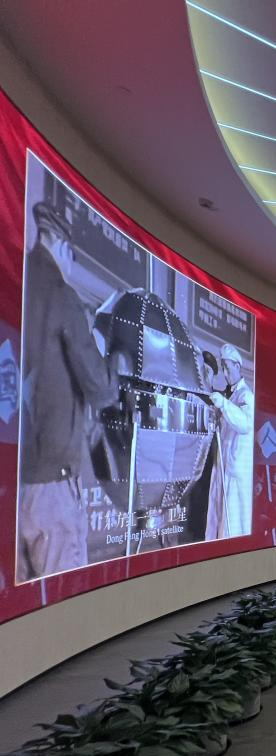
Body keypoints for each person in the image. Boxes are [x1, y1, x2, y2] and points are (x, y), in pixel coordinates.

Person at [16, 203, 117, 583]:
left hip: (18, 475)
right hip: (53, 479)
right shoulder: (62, 294)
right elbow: (100, 387)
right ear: (62, 247)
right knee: (61, 590)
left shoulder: (16, 280)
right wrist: (113, 357)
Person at [210, 343, 254, 539]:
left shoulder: (246, 395)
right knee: (219, 519)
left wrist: (223, 404)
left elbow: (244, 424)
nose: (225, 373)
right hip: (223, 466)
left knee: (232, 525)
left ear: (237, 366)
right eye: (223, 368)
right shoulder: (229, 395)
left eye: (228, 368)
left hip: (236, 471)